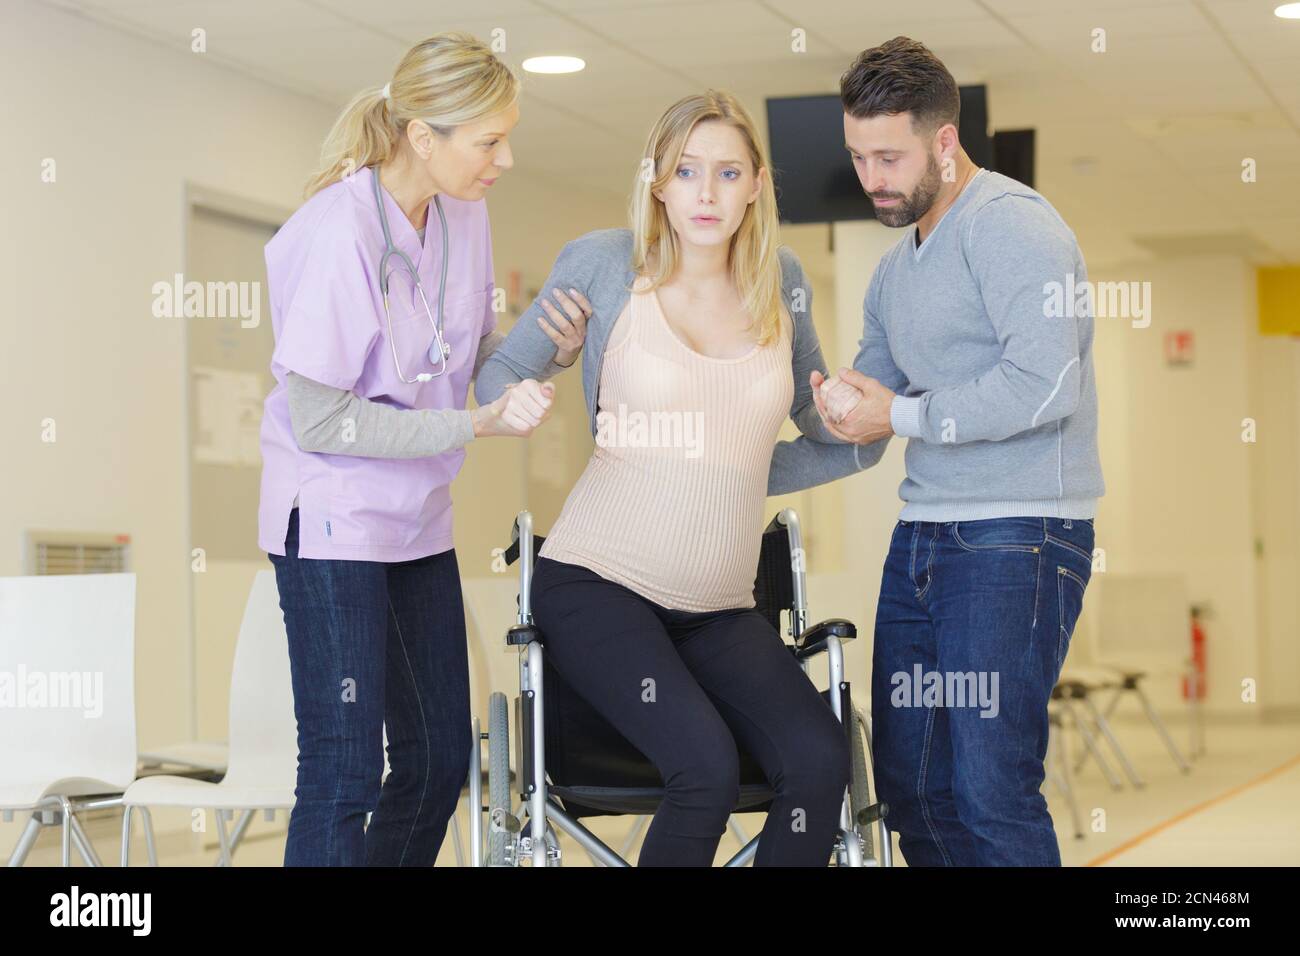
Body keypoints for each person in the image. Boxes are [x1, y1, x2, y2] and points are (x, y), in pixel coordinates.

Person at [476, 92, 884, 866]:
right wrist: (544, 372)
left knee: (819, 759)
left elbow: (810, 425)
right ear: (657, 181)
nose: (706, 193)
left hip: (720, 609)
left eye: (728, 173)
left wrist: (864, 425)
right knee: (705, 769)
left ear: (756, 184)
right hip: (598, 585)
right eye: (687, 171)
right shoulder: (603, 262)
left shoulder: (782, 280)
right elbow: (497, 375)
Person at [256, 32, 590, 866]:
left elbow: (462, 351)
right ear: (421, 136)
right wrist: (475, 425)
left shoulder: (463, 213)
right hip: (333, 521)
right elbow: (322, 420)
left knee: (440, 757)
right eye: (489, 141)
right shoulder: (337, 232)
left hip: (416, 520)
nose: (505, 160)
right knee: (343, 768)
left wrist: (547, 353)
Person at [814, 36, 1104, 866]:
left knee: (989, 787)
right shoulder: (893, 271)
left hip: (1018, 536)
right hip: (924, 540)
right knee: (913, 788)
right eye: (859, 157)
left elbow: (1046, 386)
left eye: (890, 157)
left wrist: (900, 415)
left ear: (944, 141)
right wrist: (818, 413)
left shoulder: (1011, 225)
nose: (872, 178)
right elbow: (870, 410)